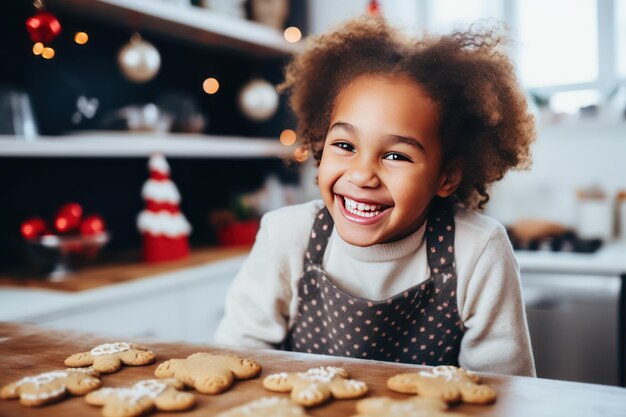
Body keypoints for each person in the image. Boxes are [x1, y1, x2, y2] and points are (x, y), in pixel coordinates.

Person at [215, 16, 536, 377]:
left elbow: (503, 391)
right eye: (345, 145)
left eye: (396, 156)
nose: (362, 175)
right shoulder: (287, 235)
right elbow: (237, 358)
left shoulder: (477, 251)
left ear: (446, 177)